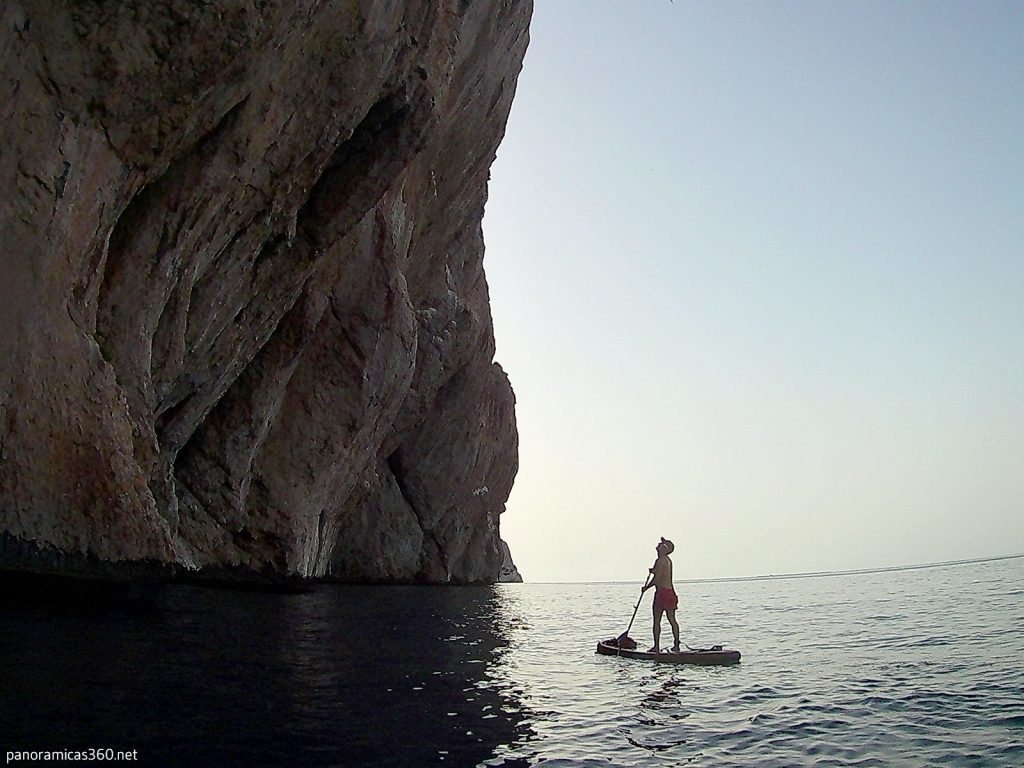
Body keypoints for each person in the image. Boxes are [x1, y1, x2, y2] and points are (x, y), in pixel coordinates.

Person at [642, 537, 680, 653]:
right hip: (670, 592)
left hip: (662, 593)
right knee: (672, 619)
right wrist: (654, 571)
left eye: (662, 544)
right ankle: (676, 645)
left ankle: (656, 647)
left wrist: (646, 588)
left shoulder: (660, 560)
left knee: (657, 620)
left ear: (665, 549)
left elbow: (657, 579)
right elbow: (661, 573)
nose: (658, 544)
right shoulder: (667, 560)